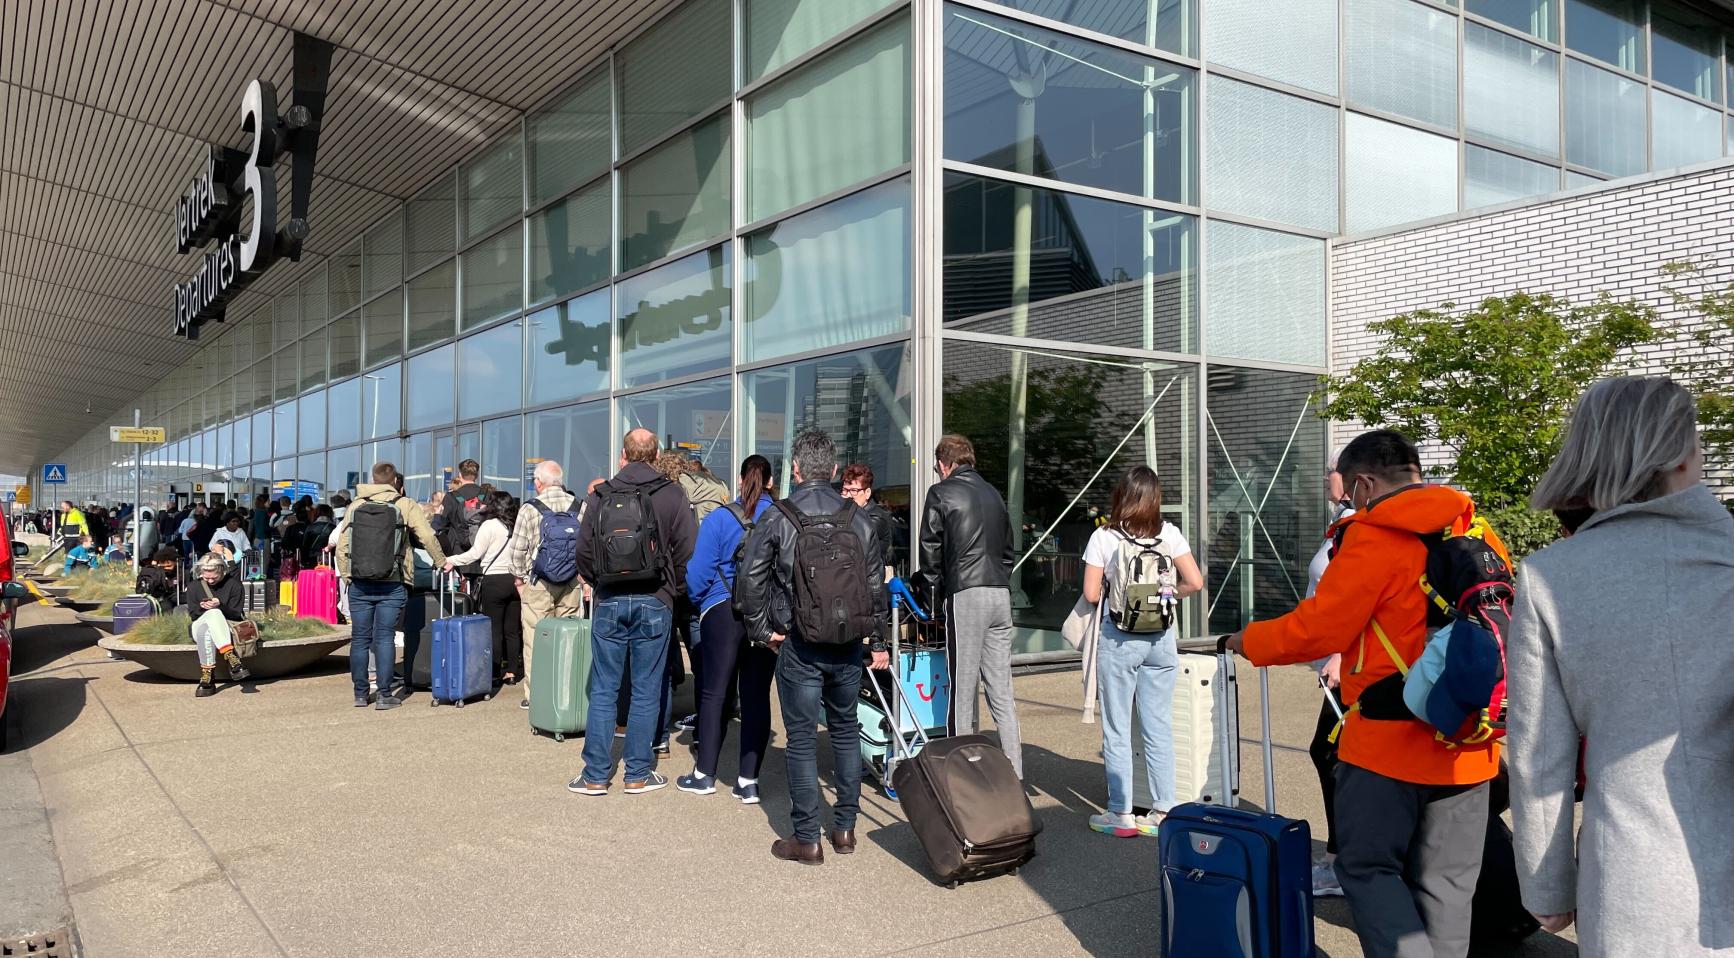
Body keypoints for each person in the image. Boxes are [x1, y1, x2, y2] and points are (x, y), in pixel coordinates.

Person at [1222, 429, 1505, 958]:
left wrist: (1248, 640)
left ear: (1366, 484)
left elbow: (1317, 630)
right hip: (1469, 739)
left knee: (1366, 867)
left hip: (1387, 742)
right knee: (1447, 886)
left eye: (1350, 489)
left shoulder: (1373, 538)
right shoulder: (1477, 530)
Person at [1508, 377, 1733, 958]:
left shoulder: (1553, 576)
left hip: (1632, 879)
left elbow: (1539, 756)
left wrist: (1546, 884)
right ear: (1682, 454)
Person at [736, 429, 890, 863]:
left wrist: (762, 631)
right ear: (834, 469)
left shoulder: (778, 517)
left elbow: (749, 579)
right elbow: (875, 587)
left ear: (796, 470)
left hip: (799, 643)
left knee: (801, 739)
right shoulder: (858, 518)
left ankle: (806, 838)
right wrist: (876, 639)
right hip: (847, 644)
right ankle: (845, 829)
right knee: (845, 730)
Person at [566, 430, 695, 796]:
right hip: (655, 598)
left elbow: (583, 552)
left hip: (608, 599)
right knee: (646, 689)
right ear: (655, 455)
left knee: (604, 689)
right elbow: (688, 551)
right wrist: (673, 591)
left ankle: (594, 775)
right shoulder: (672, 494)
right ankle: (638, 773)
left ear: (623, 455)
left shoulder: (600, 495)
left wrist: (599, 582)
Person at [1079, 466, 1203, 838]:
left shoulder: (1104, 536)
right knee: (1158, 726)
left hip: (1119, 639)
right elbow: (1195, 582)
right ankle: (1164, 810)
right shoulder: (1169, 533)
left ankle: (1121, 813)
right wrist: (1165, 595)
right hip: (1161, 638)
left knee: (1117, 728)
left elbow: (1090, 594)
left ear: (1122, 495)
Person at [916, 433, 1024, 778]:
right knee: (1001, 690)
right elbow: (1008, 549)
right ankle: (1015, 772)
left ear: (944, 463)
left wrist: (932, 604)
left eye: (937, 466)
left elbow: (930, 553)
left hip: (966, 593)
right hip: (999, 592)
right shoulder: (994, 494)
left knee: (962, 690)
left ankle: (962, 775)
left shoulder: (941, 493)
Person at [676, 455, 777, 801]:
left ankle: (704, 774)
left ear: (739, 480)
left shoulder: (719, 518)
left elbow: (697, 573)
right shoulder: (781, 518)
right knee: (756, 695)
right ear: (771, 481)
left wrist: (702, 601)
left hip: (722, 610)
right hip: (765, 614)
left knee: (714, 693)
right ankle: (749, 782)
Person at [335, 462, 446, 710]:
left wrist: (347, 577)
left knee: (360, 638)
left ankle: (360, 694)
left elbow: (342, 547)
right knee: (384, 637)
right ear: (395, 481)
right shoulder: (405, 504)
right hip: (393, 581)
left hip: (360, 582)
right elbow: (427, 536)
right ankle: (384, 695)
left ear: (372, 480)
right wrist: (441, 561)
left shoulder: (356, 505)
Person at [1305, 447, 1355, 898]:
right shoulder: (1344, 522)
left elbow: (1360, 596)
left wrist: (1340, 653)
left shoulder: (1358, 527)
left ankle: (1342, 862)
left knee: (1330, 754)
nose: (1326, 477)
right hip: (1339, 665)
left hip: (1352, 667)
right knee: (1334, 755)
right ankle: (1345, 857)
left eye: (1331, 470)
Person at [506, 460, 584, 710]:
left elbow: (517, 551)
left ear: (539, 483)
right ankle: (567, 692)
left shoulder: (530, 508)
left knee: (536, 638)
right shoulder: (579, 505)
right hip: (571, 581)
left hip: (539, 581)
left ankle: (536, 697)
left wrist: (519, 579)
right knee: (569, 638)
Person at [443, 491, 522, 686]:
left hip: (493, 581)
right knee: (512, 630)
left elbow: (475, 554)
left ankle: (494, 672)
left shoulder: (489, 525)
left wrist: (451, 559)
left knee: (494, 629)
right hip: (515, 580)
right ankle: (512, 671)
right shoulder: (517, 524)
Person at [187, 552, 249, 697]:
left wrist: (220, 605)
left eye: (214, 577)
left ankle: (207, 677)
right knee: (212, 614)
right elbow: (193, 614)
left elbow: (236, 614)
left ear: (222, 571)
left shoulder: (234, 585)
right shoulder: (194, 586)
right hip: (198, 622)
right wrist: (203, 607)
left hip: (227, 627)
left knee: (206, 631)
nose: (210, 581)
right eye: (205, 577)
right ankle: (232, 658)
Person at [841, 463, 897, 582]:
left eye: (854, 490)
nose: (848, 495)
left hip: (871, 581)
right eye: (845, 490)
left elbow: (852, 546)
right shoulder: (847, 514)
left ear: (867, 493)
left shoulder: (876, 518)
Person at [437, 458, 486, 572]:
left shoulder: (451, 497)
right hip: (483, 552)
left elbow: (443, 525)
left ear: (460, 475)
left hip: (459, 552)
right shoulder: (486, 495)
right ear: (476, 475)